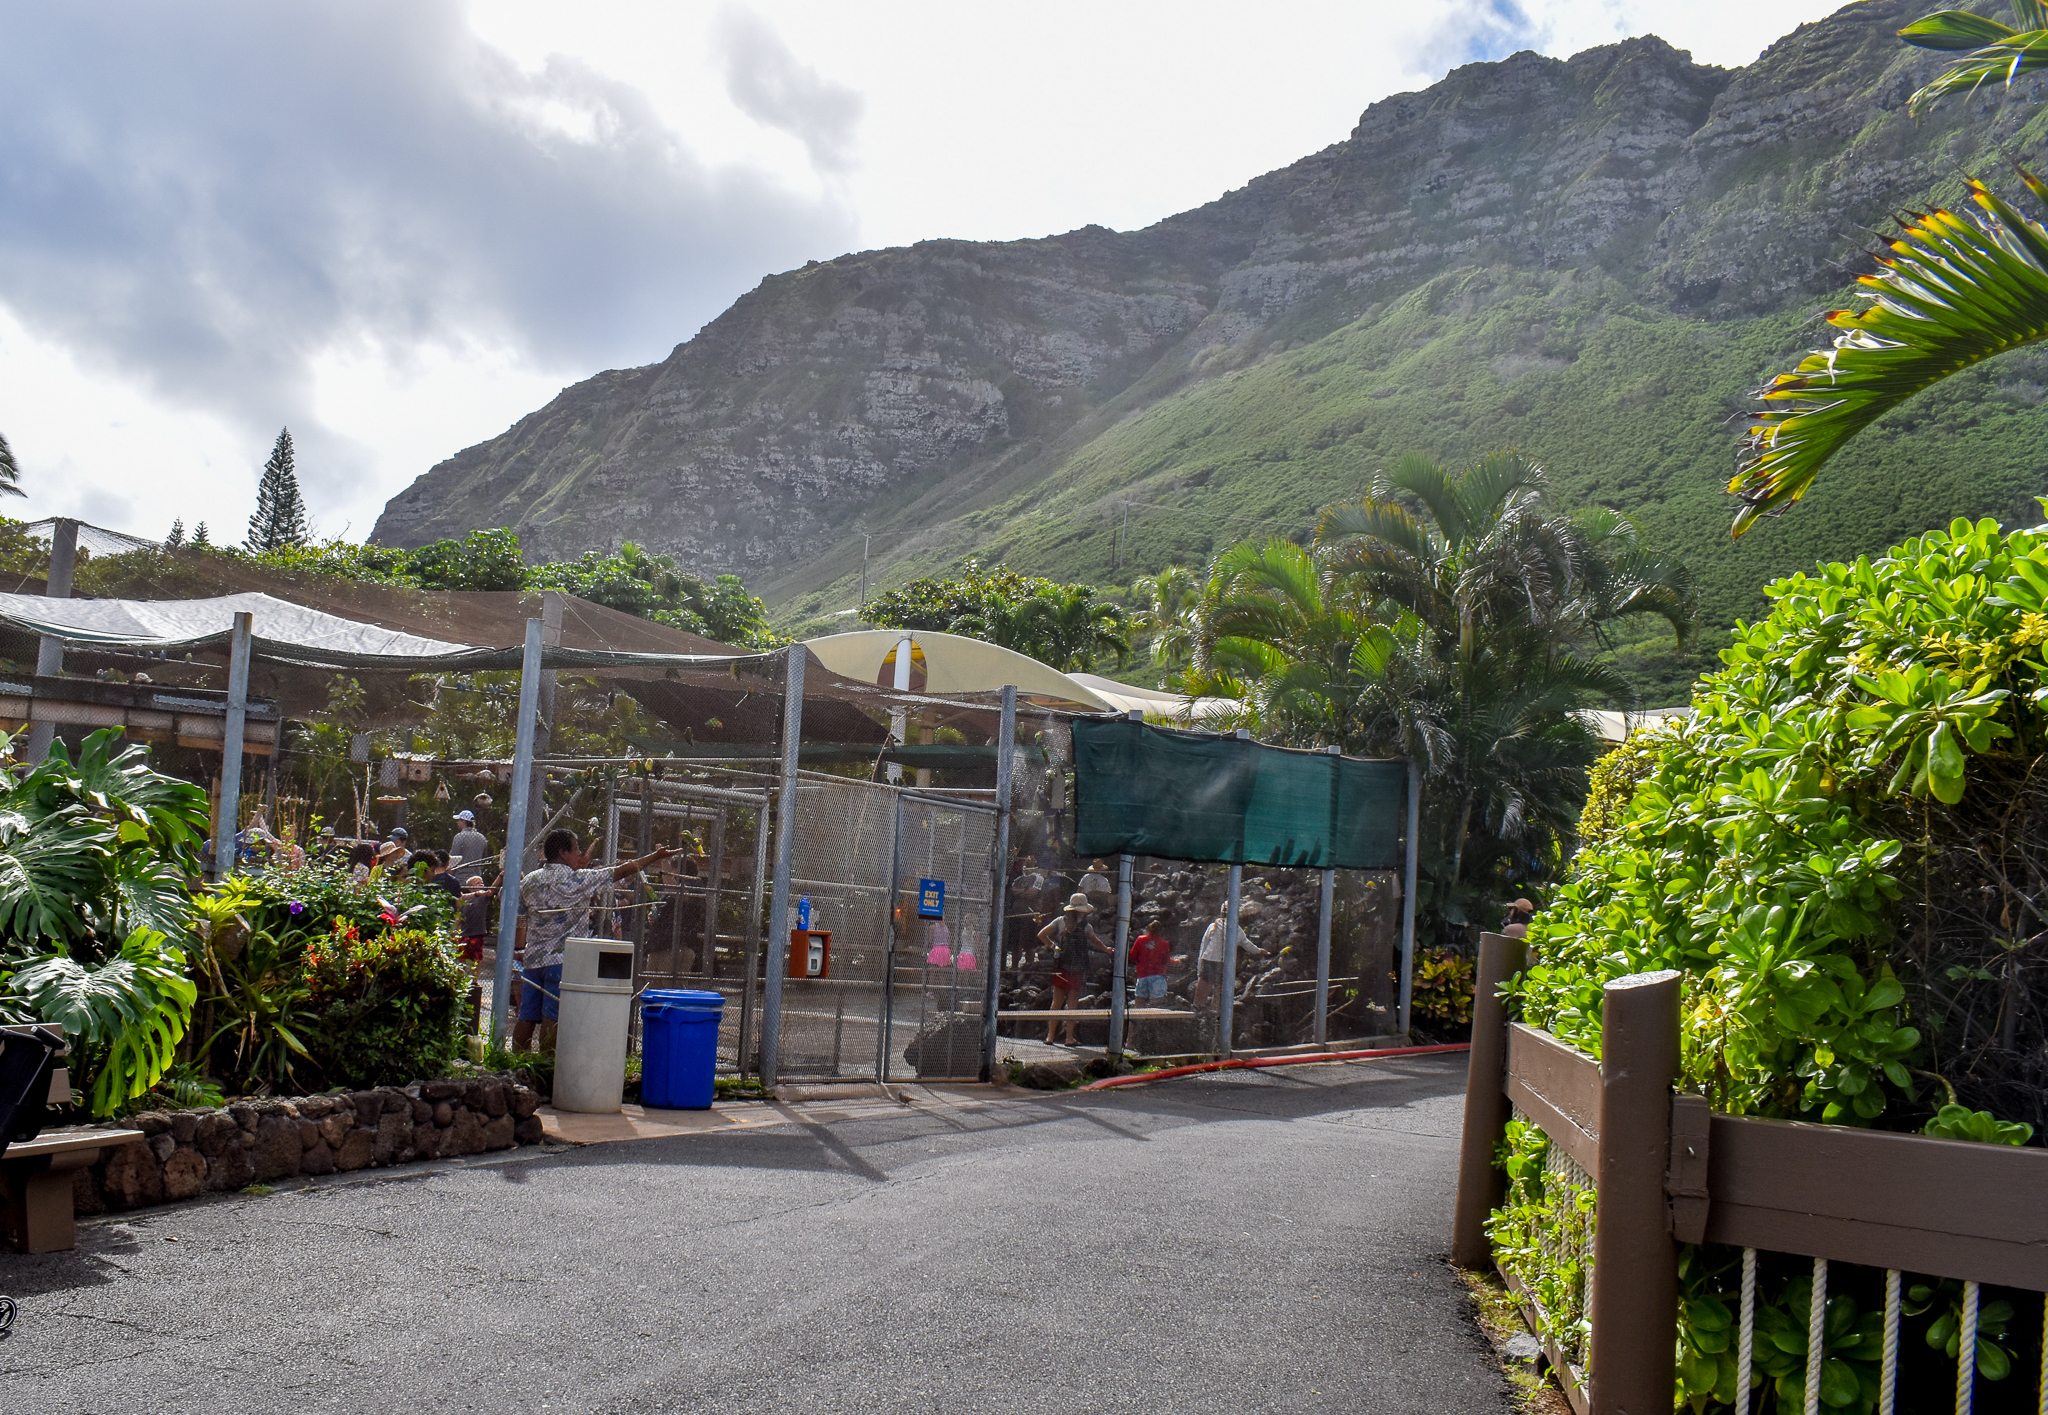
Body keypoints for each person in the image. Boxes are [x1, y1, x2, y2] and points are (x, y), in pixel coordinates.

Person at [513, 827, 676, 1054]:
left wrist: (519, 948)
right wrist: (655, 857)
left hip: (532, 961)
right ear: (563, 853)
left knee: (526, 1017)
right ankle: (547, 1066)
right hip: (562, 961)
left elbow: (520, 916)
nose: (580, 853)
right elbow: (622, 871)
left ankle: (517, 1064)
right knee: (553, 1017)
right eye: (576, 848)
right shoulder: (579, 879)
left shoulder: (530, 880)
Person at [1036, 892, 1110, 1045]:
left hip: (1060, 967)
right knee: (1072, 1004)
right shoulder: (1086, 926)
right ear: (1083, 910)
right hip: (1077, 969)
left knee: (1056, 1003)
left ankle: (1050, 1036)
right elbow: (1095, 941)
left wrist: (1053, 947)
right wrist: (1107, 950)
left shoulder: (1060, 921)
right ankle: (1069, 1038)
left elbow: (1041, 935)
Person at [1196, 904, 1270, 1012]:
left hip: (1209, 959)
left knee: (1204, 986)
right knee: (1220, 987)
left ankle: (1199, 1008)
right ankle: (1216, 1010)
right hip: (1223, 962)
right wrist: (1259, 951)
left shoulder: (1213, 926)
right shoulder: (1236, 930)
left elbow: (1204, 945)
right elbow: (1247, 944)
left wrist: (1200, 963)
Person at [1127, 911, 1181, 1007]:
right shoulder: (1164, 943)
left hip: (1142, 976)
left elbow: (1132, 956)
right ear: (1161, 931)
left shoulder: (1140, 940)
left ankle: (1137, 1016)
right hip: (1157, 977)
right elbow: (1166, 961)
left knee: (1139, 1003)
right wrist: (1176, 962)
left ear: (1148, 929)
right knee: (1157, 1004)